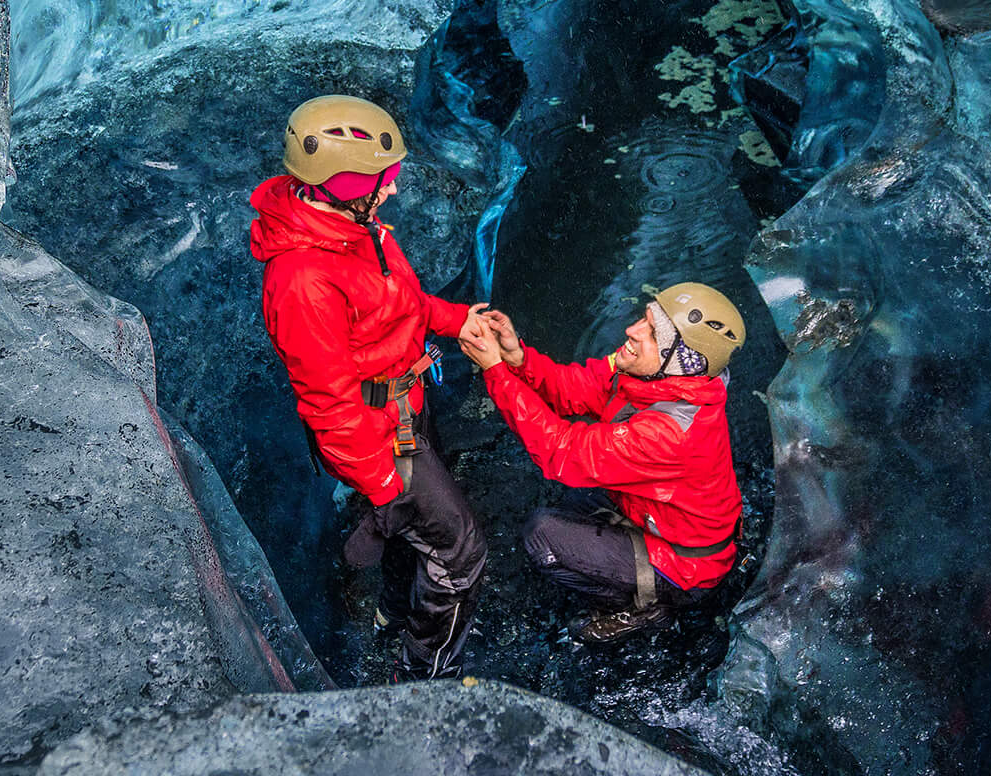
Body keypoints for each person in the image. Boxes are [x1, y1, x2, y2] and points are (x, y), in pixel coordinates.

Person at [248, 94, 487, 680]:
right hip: (377, 432)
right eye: (386, 179)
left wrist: (457, 320)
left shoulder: (352, 229)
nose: (395, 190)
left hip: (403, 405)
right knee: (462, 553)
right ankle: (424, 675)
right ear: (346, 184)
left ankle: (393, 611)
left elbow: (396, 304)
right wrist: (384, 484)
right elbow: (329, 404)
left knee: (419, 536)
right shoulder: (303, 280)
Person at [458, 283, 746, 643]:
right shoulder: (656, 379)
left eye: (652, 332)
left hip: (686, 564)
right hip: (662, 518)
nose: (632, 330)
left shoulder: (668, 432)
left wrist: (496, 372)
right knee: (570, 503)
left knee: (542, 535)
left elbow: (559, 451)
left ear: (679, 360)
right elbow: (580, 388)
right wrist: (519, 360)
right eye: (643, 318)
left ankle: (644, 605)